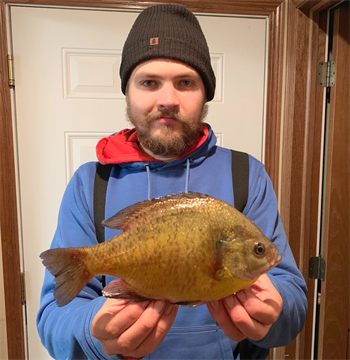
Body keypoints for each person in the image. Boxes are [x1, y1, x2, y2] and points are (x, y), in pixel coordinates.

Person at [37, 4, 307, 360]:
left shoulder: (247, 174)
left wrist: (276, 313)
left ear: (205, 93)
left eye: (185, 82)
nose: (168, 100)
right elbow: (53, 319)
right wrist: (94, 332)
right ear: (128, 92)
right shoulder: (91, 182)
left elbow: (294, 301)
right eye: (149, 82)